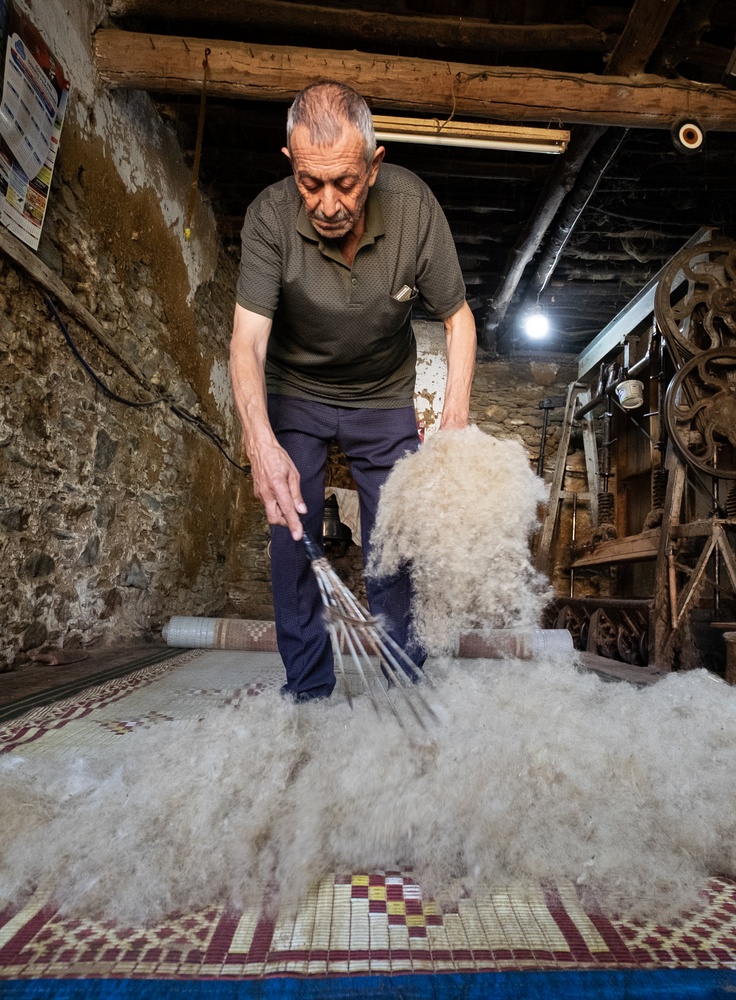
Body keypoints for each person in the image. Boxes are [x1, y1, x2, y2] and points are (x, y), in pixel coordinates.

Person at [228, 81, 476, 702]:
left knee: (395, 535)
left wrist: (453, 421)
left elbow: (459, 319)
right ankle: (308, 688)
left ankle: (404, 680)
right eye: (311, 184)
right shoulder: (267, 218)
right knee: (293, 529)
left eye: (345, 182)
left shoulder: (416, 209)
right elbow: (247, 344)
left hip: (383, 390)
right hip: (296, 387)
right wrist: (260, 443)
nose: (329, 203)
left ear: (375, 164)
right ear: (291, 164)